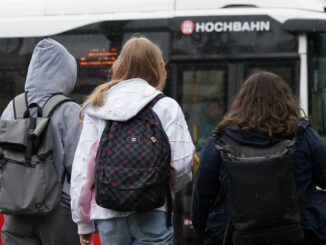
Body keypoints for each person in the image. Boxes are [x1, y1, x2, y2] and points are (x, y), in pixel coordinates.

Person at [70, 36, 195, 245]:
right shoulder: (166, 106)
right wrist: (158, 187)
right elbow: (182, 163)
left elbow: (84, 169)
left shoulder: (99, 106)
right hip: (153, 210)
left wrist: (83, 221)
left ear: (120, 65)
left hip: (108, 211)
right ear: (157, 67)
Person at [191, 71, 326, 245]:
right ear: (285, 100)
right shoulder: (303, 136)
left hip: (234, 236)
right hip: (300, 234)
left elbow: (202, 196)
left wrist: (204, 231)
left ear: (241, 102)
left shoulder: (219, 141)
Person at [1, 38, 81, 245]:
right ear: (66, 73)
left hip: (16, 209)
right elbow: (78, 166)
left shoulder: (13, 107)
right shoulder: (69, 110)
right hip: (58, 211)